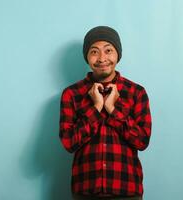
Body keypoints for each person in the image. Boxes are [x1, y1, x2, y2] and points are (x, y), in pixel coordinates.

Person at [59, 26, 152, 200]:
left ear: (117, 54)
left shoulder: (136, 92)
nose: (102, 58)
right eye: (94, 52)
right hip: (85, 192)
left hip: (127, 191)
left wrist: (112, 109)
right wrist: (95, 108)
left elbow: (142, 141)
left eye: (108, 50)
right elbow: (68, 143)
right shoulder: (71, 94)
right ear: (87, 56)